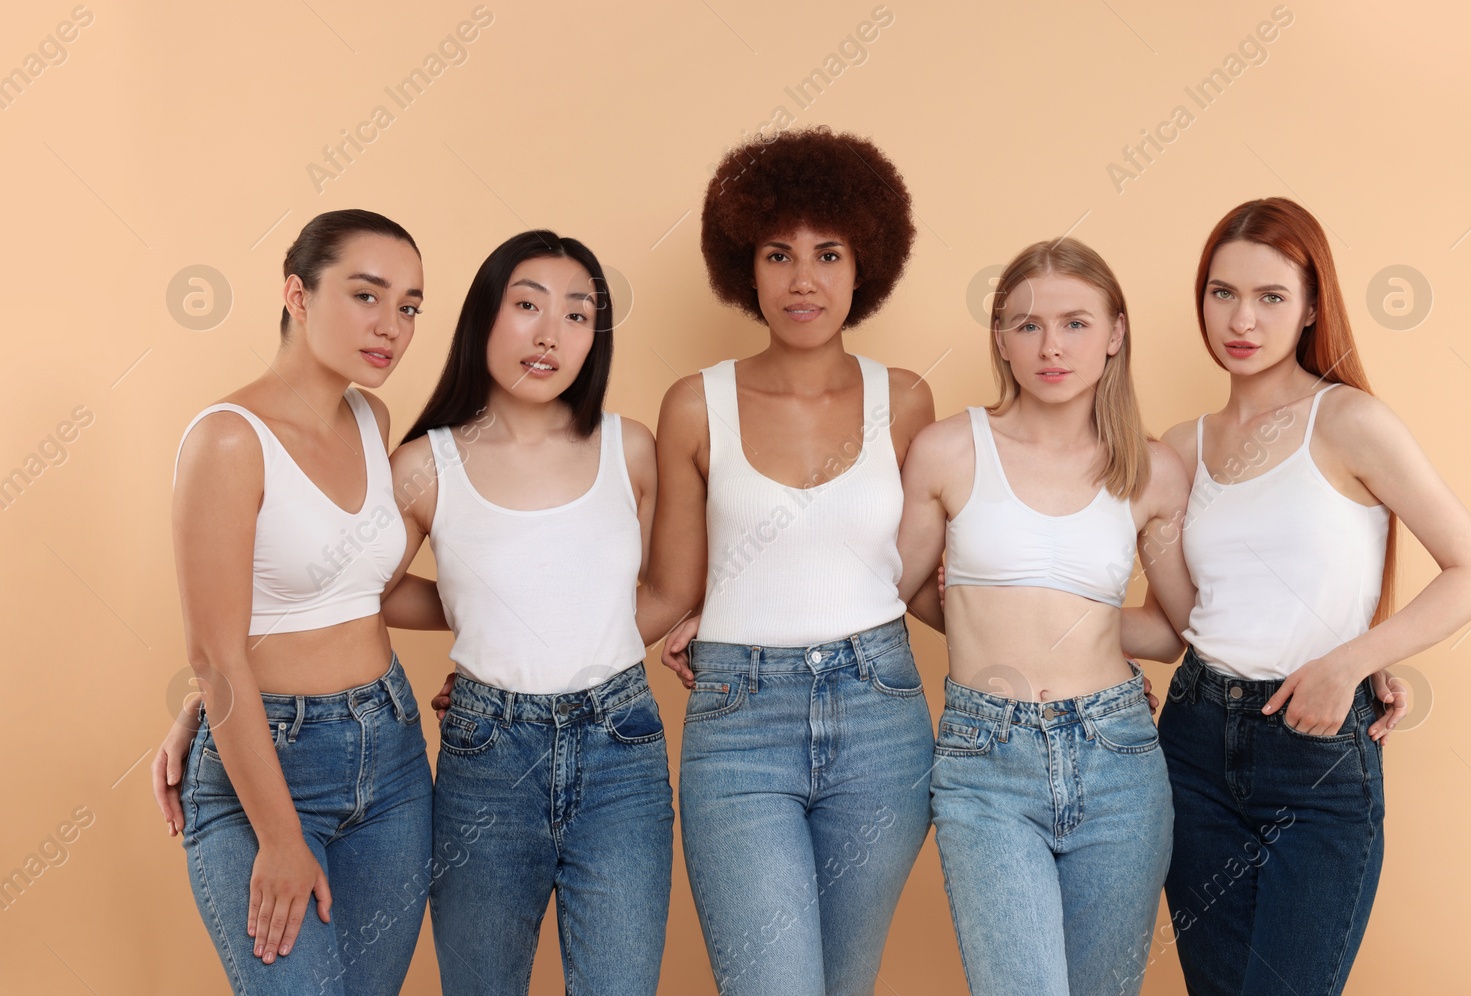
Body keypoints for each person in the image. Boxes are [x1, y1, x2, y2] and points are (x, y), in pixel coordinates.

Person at [1158, 197, 1471, 995]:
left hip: (1315, 757)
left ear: (1312, 306)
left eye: (1271, 297)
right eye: (1222, 293)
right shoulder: (1180, 448)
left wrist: (1352, 662)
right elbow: (1183, 621)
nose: (1241, 318)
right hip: (1192, 746)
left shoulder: (1349, 422)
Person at [644, 127, 937, 995]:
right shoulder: (695, 406)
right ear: (745, 265)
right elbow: (668, 587)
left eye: (829, 253)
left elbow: (926, 581)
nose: (803, 279)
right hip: (740, 723)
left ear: (865, 264)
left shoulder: (910, 401)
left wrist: (1072, 661)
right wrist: (528, 670)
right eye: (778, 254)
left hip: (882, 715)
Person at [895, 238, 1191, 995]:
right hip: (984, 758)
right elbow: (896, 585)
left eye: (1075, 324)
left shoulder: (1152, 471)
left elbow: (1175, 629)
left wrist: (1079, 625)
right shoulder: (949, 450)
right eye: (1026, 326)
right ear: (1000, 338)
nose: (1051, 347)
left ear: (1116, 333)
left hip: (1119, 752)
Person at [386, 230, 675, 994]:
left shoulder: (631, 448)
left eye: (578, 315)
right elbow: (366, 593)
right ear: (484, 317)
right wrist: (487, 617)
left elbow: (672, 592)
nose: (551, 334)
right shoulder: (424, 464)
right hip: (487, 753)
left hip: (623, 750)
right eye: (526, 306)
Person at [156, 209, 432, 995]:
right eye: (366, 295)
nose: (392, 326)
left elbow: (361, 592)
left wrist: (508, 613)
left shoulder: (369, 417)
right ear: (298, 295)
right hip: (269, 774)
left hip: (393, 756)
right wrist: (278, 837)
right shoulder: (228, 439)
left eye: (409, 306)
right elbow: (214, 651)